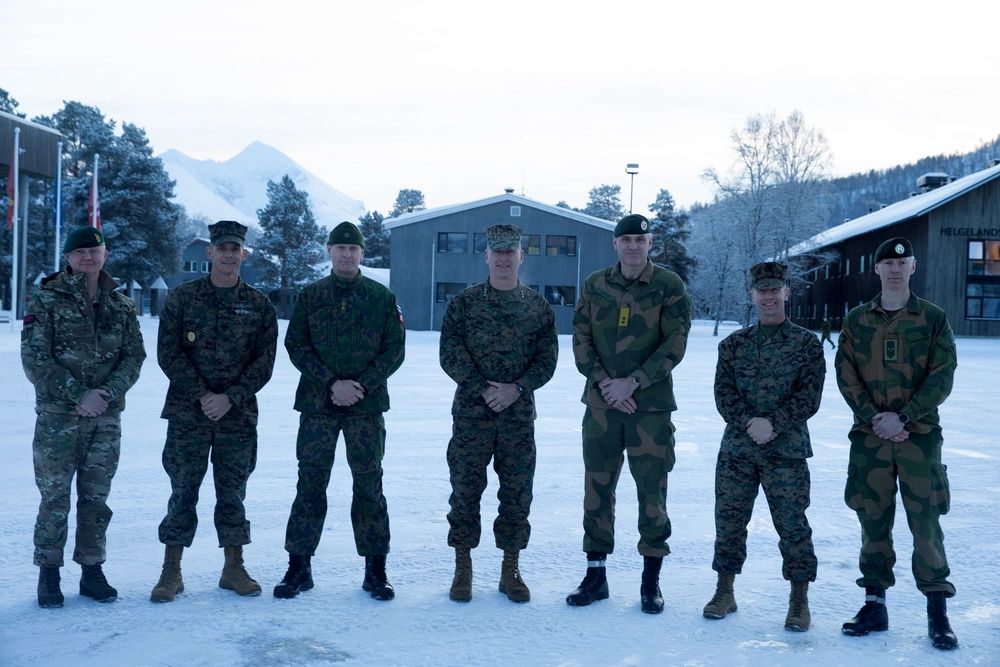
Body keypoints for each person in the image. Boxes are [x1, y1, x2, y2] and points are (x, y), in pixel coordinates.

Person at [836, 237, 959, 650]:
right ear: (876, 270)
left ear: (913, 268)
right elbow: (846, 375)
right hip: (870, 437)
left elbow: (942, 376)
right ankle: (874, 604)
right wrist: (876, 417)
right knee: (872, 519)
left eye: (900, 263)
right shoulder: (856, 321)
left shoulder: (933, 318)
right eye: (886, 262)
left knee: (925, 522)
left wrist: (904, 417)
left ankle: (937, 613)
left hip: (918, 437)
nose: (893, 268)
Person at [567, 213, 692, 614]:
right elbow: (581, 339)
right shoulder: (595, 284)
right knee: (596, 489)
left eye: (641, 239)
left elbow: (675, 343)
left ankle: (650, 581)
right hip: (602, 407)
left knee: (651, 490)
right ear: (615, 244)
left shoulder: (668, 285)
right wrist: (607, 383)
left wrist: (633, 382)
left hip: (649, 408)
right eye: (626, 240)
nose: (633, 246)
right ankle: (596, 575)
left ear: (650, 243)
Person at [274, 221, 405, 601]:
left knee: (369, 485)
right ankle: (299, 567)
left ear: (363, 254)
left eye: (354, 248)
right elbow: (297, 345)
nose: (347, 254)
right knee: (310, 485)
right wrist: (332, 382)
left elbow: (394, 350)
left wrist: (360, 384)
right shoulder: (311, 296)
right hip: (318, 406)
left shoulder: (381, 297)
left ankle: (375, 570)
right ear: (329, 251)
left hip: (366, 408)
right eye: (340, 248)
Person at [151, 220, 278, 602]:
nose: (227, 253)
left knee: (233, 494)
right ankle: (171, 570)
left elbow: (264, 362)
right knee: (182, 491)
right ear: (209, 252)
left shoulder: (258, 305)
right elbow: (168, 354)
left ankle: (233, 566)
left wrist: (230, 397)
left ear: (243, 254)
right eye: (221, 247)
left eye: (234, 248)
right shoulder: (182, 298)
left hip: (236, 417)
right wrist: (204, 394)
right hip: (188, 414)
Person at [21, 226, 146, 608]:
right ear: (69, 259)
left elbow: (134, 357)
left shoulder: (121, 305)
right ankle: (49, 574)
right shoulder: (45, 300)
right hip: (59, 418)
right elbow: (35, 359)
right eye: (80, 253)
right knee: (54, 498)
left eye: (95, 251)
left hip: (105, 419)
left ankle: (92, 571)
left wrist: (106, 394)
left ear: (105, 254)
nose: (88, 258)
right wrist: (80, 395)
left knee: (96, 498)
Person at [702, 262, 825, 631]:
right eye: (762, 291)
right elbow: (723, 394)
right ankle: (724, 590)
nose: (769, 297)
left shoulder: (806, 344)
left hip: (786, 452)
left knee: (792, 525)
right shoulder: (733, 345)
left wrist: (774, 423)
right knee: (729, 521)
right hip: (739, 451)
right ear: (752, 296)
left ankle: (799, 600)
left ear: (787, 293)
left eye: (776, 290)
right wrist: (748, 422)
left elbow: (810, 397)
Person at [439, 224, 558, 603]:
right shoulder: (464, 303)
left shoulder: (537, 307)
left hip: (517, 417)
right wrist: (483, 388)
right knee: (465, 491)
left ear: (521, 256)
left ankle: (511, 569)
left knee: (517, 495)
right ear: (487, 257)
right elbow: (450, 353)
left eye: (512, 252)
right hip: (472, 416)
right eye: (498, 252)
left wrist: (517, 388)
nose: (504, 258)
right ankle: (463, 568)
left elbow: (547, 359)